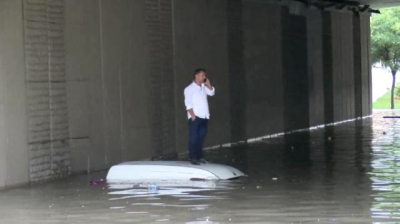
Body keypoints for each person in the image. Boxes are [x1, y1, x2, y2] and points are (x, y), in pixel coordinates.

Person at [184, 68, 215, 165]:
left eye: (205, 75)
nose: (204, 77)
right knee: (194, 137)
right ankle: (193, 157)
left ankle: (199, 156)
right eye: (202, 75)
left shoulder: (203, 87)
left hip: (204, 116)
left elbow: (212, 93)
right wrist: (193, 115)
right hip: (196, 117)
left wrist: (208, 84)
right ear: (196, 76)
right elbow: (188, 103)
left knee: (201, 137)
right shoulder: (189, 89)